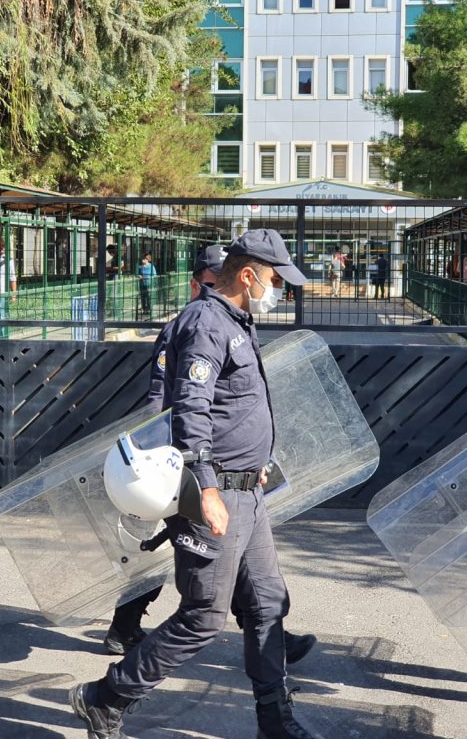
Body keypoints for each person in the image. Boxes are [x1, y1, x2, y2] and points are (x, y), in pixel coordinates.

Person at [70, 229, 316, 739]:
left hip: (247, 491)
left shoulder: (234, 320)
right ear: (247, 275)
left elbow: (233, 408)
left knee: (267, 604)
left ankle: (275, 721)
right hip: (218, 494)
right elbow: (190, 409)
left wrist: (257, 461)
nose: (278, 291)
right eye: (274, 280)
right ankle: (106, 696)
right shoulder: (206, 322)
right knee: (204, 615)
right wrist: (206, 487)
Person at [138, 252, 156, 317]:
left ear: (148, 259)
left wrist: (145, 277)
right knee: (143, 297)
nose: (143, 260)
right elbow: (137, 273)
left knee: (148, 297)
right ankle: (144, 309)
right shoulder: (140, 267)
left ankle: (149, 309)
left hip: (148, 284)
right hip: (142, 284)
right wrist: (139, 276)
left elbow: (154, 275)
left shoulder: (151, 266)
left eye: (145, 259)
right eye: (143, 258)